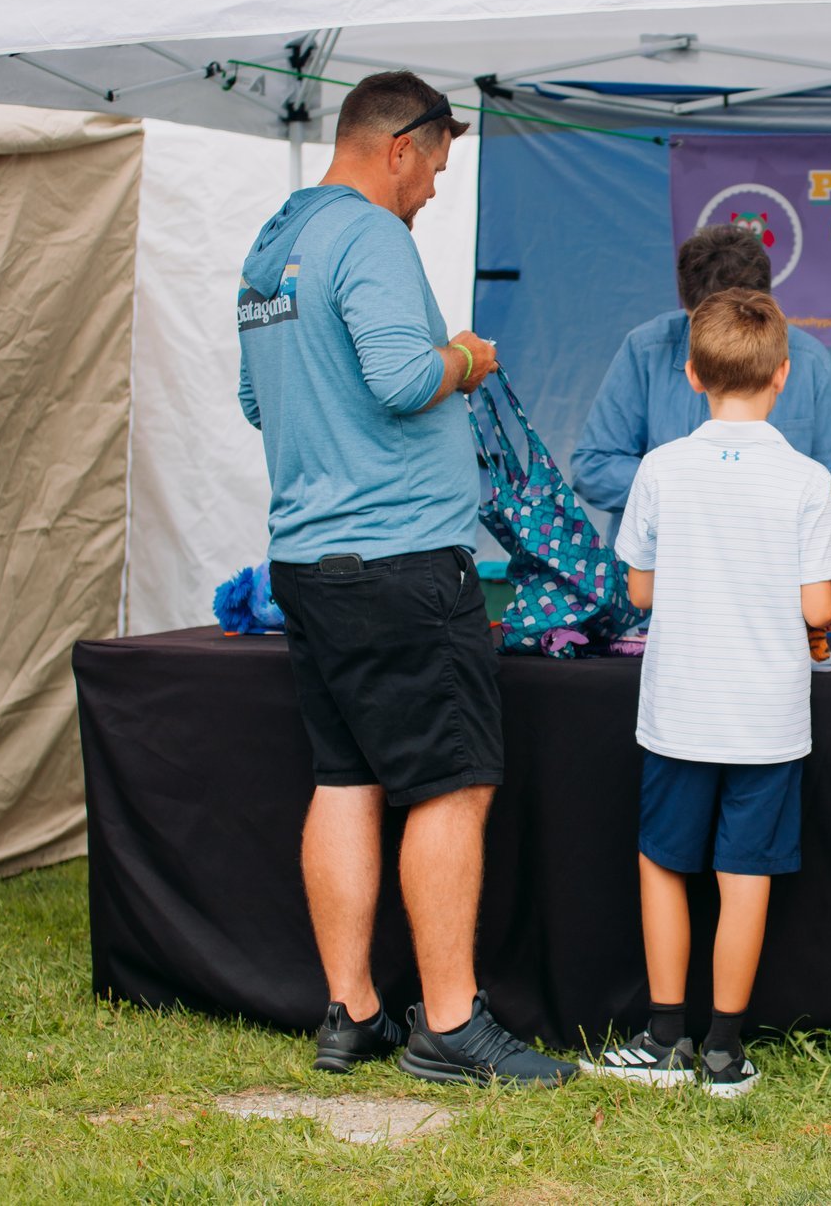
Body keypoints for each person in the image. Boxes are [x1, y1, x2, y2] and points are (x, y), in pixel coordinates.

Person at [237, 70, 576, 1088]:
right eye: (435, 164)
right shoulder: (370, 237)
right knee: (451, 782)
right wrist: (466, 357)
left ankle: (352, 1013)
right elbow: (397, 378)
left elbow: (260, 405)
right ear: (399, 145)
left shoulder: (272, 244)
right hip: (397, 562)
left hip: (307, 559)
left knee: (346, 776)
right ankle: (454, 1024)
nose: (432, 189)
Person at [581, 288, 831, 1097]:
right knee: (747, 877)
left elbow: (639, 590)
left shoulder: (661, 469)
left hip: (679, 711)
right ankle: (726, 1053)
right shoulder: (806, 479)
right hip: (767, 719)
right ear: (784, 374)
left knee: (664, 865)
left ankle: (665, 1037)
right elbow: (816, 607)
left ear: (693, 373)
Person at [571, 225, 831, 531]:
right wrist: (692, 489)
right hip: (665, 568)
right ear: (686, 307)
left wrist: (747, 499)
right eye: (708, 329)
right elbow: (592, 468)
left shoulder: (811, 361)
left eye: (743, 329)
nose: (725, 347)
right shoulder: (645, 350)